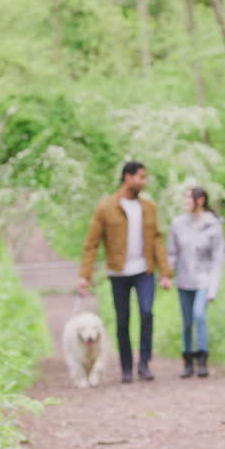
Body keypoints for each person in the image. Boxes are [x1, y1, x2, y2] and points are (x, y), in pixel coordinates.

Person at [79, 161, 173, 383]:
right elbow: (92, 243)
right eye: (141, 177)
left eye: (145, 177)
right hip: (118, 272)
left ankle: (144, 364)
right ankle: (127, 367)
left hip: (144, 270)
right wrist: (85, 274)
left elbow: (157, 240)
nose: (144, 181)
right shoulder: (106, 207)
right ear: (127, 178)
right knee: (123, 320)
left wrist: (166, 272)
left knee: (147, 312)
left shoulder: (149, 207)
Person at [167, 186, 225, 379]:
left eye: (188, 199)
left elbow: (218, 259)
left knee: (199, 315)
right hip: (184, 279)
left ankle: (202, 357)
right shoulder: (178, 224)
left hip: (204, 279)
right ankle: (187, 359)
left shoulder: (213, 225)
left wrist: (213, 289)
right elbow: (173, 253)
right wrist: (167, 275)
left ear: (200, 201)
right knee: (187, 321)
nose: (185, 203)